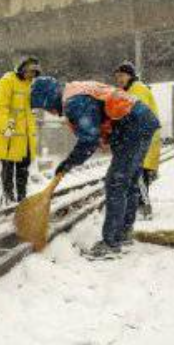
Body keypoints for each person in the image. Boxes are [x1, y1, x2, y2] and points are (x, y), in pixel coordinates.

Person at [30, 76, 159, 258]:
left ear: (48, 98)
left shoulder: (74, 101)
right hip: (137, 122)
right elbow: (98, 123)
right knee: (127, 182)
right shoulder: (75, 90)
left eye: (45, 107)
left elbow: (89, 140)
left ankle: (111, 244)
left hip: (133, 126)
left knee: (116, 183)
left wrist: (69, 162)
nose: (50, 112)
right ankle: (123, 234)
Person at [114, 61, 161, 220]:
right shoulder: (130, 90)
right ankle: (139, 206)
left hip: (144, 137)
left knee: (138, 174)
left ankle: (145, 208)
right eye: (117, 76)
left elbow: (136, 116)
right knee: (137, 174)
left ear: (130, 76)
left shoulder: (137, 90)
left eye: (122, 75)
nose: (119, 79)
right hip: (141, 137)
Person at [0, 56, 41, 203]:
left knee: (23, 170)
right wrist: (8, 126)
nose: (32, 75)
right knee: (8, 170)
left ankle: (21, 199)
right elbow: (1, 107)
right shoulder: (7, 80)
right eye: (30, 71)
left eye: (35, 72)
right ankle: (8, 199)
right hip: (9, 134)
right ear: (22, 68)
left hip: (25, 137)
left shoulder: (31, 84)